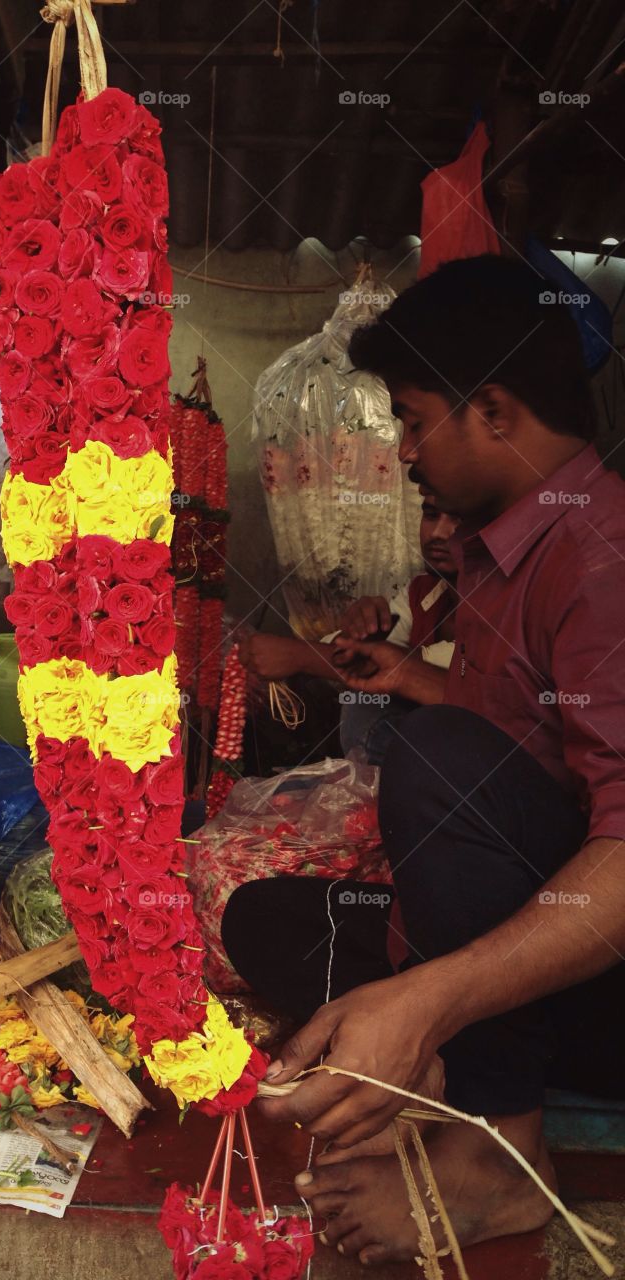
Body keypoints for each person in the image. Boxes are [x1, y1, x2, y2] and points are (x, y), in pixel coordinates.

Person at [223, 255, 625, 1265]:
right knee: (266, 918)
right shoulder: (506, 552)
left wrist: (429, 998)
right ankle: (444, 1062)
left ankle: (496, 1146)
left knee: (439, 757)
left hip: (604, 964)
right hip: (540, 960)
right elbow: (517, 734)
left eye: (411, 419)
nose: (403, 451)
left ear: (492, 411)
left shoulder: (602, 558)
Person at [237, 493, 459, 763]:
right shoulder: (422, 592)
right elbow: (354, 653)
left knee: (366, 704)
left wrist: (299, 656)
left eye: (458, 520)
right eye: (431, 515)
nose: (437, 533)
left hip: (461, 767)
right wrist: (357, 633)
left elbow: (427, 666)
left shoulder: (500, 608)